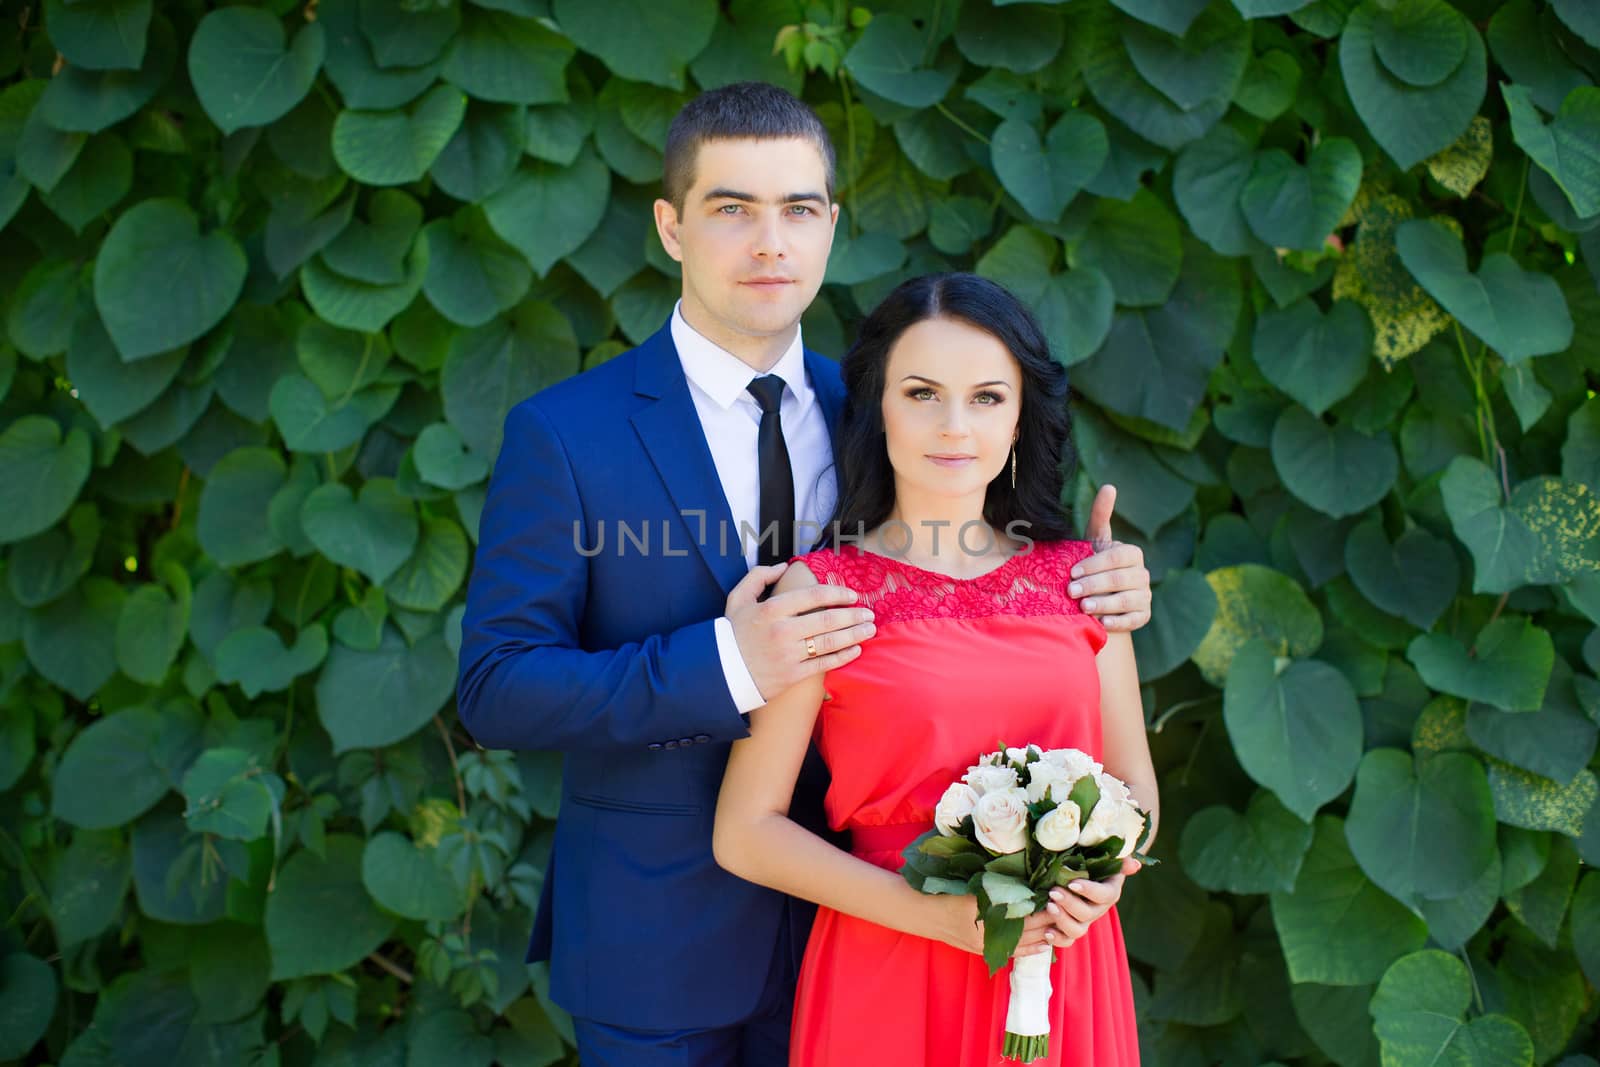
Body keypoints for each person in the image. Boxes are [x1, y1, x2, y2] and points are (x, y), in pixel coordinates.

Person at [455, 82, 1152, 1067]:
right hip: (659, 939)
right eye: (731, 208)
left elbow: (991, 572)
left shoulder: (887, 401)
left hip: (883, 930)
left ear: (832, 225)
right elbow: (496, 686)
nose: (768, 242)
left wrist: (1107, 588)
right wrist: (729, 664)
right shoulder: (568, 435)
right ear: (670, 225)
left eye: (798, 209)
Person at [713, 272, 1158, 1066]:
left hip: (1064, 961)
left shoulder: (1082, 578)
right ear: (878, 407)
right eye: (922, 393)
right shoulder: (825, 589)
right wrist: (930, 914)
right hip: (891, 959)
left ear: (1023, 416)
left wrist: (1106, 878)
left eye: (988, 397)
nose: (955, 426)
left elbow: (1136, 790)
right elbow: (745, 832)